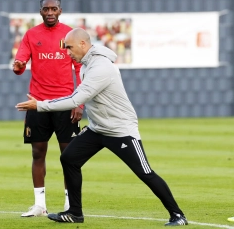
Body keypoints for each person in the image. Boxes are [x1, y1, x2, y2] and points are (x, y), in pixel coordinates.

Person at [15, 28, 188, 226]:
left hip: (120, 130)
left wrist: (40, 105)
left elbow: (76, 99)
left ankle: (177, 215)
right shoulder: (86, 64)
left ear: (82, 44)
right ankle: (74, 213)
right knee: (69, 158)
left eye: (69, 47)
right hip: (98, 128)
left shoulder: (101, 67)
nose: (67, 52)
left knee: (144, 172)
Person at [12, 0, 83, 217]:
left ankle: (69, 205)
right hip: (37, 103)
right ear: (40, 10)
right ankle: (40, 205)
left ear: (60, 10)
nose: (50, 13)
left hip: (65, 102)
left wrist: (79, 101)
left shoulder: (69, 34)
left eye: (54, 9)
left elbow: (80, 68)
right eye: (46, 9)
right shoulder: (31, 35)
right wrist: (18, 66)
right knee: (37, 152)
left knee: (69, 156)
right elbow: (20, 64)